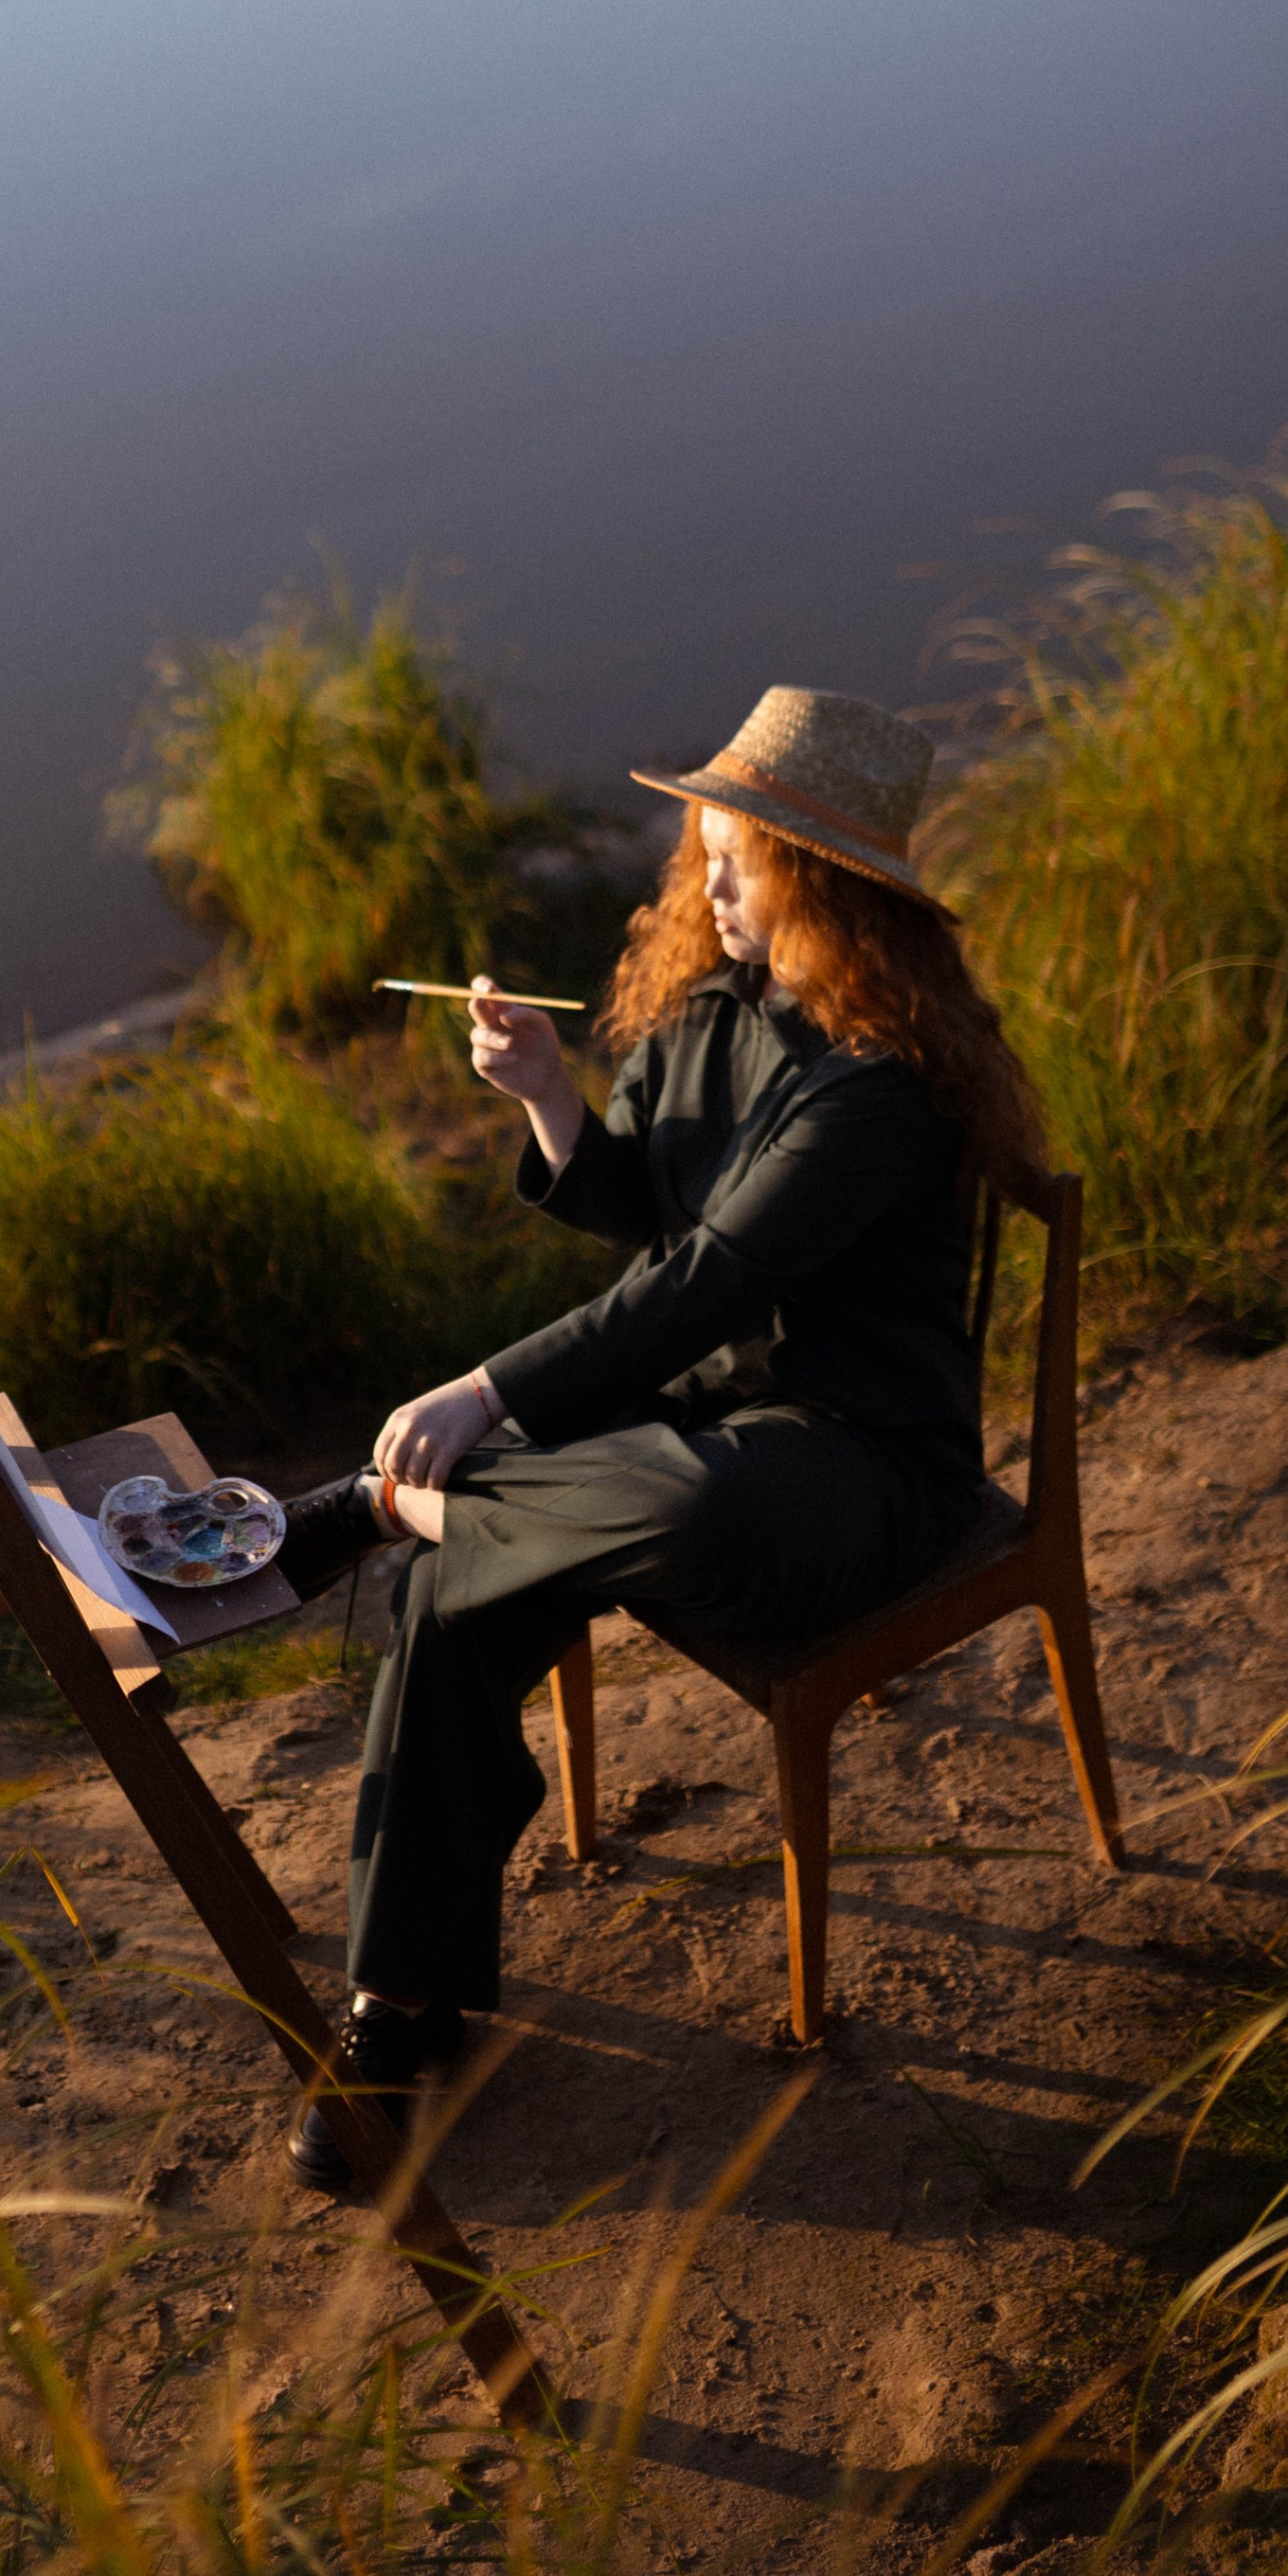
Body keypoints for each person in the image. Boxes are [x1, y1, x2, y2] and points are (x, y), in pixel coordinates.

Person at [270, 686, 1046, 2193]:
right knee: (459, 1581)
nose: (709, 887)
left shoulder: (881, 1088)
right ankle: (402, 2004)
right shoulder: (708, 1014)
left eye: (738, 867)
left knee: (682, 1514)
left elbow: (705, 1284)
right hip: (692, 1425)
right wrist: (549, 1100)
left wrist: (482, 1394)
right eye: (705, 858)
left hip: (857, 1465)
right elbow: (651, 1212)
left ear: (823, 886)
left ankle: (381, 1503)